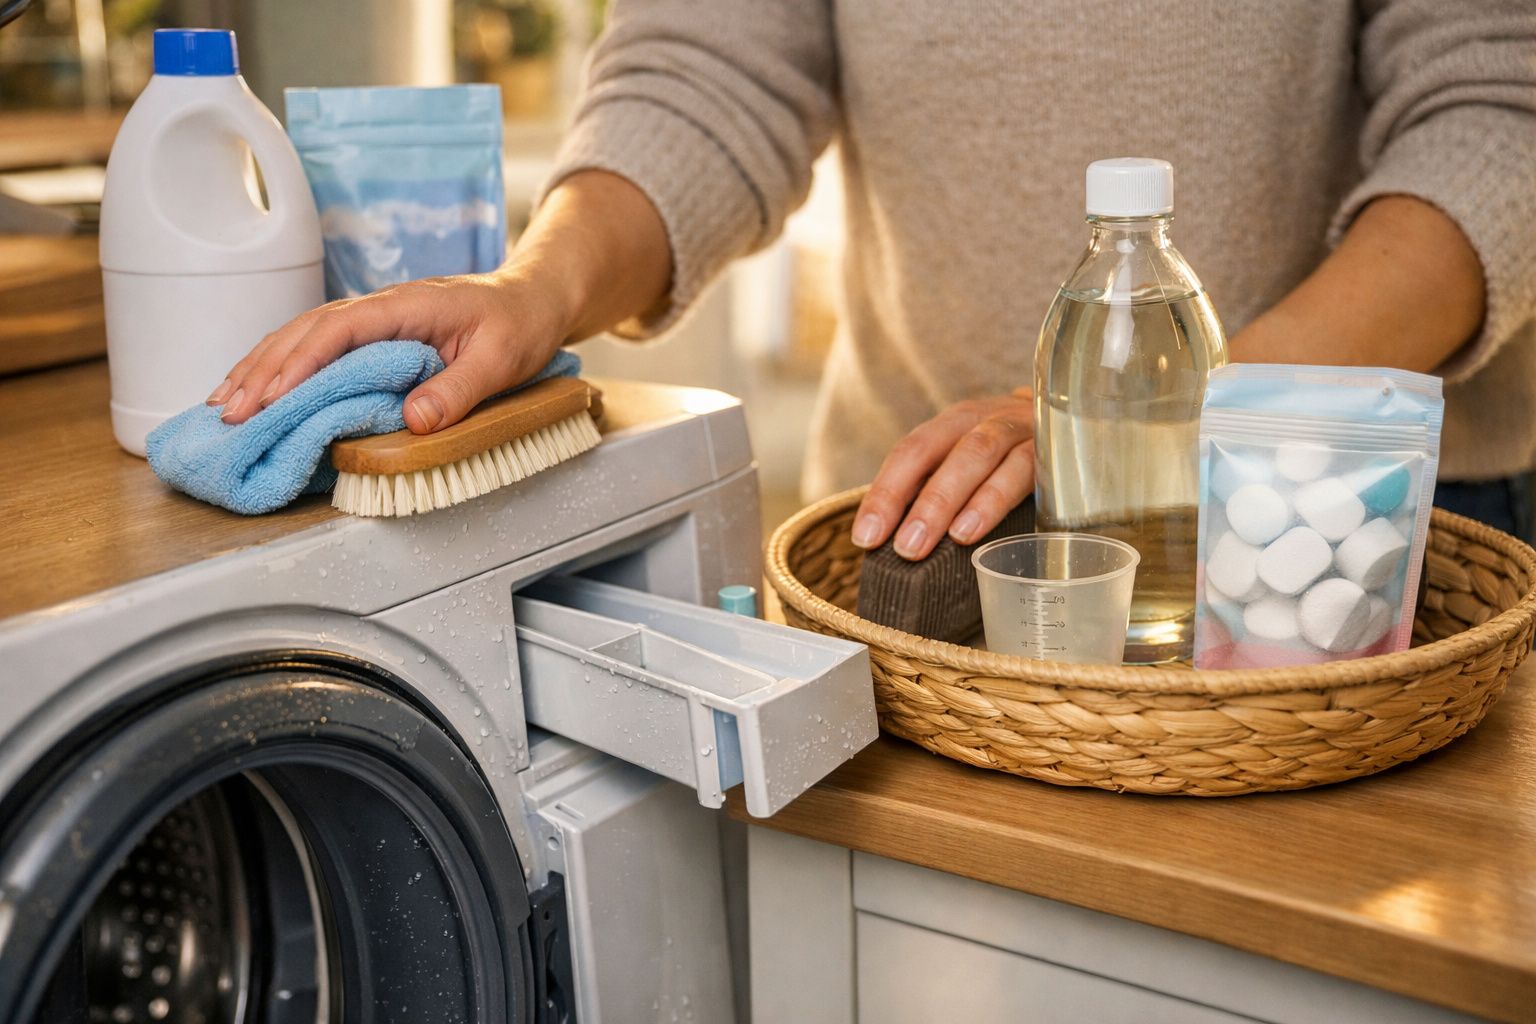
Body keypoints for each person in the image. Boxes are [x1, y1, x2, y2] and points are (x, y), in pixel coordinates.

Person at [209, 0, 1536, 548]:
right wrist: (537, 287)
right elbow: (708, 69)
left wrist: (1181, 416)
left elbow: (1498, 110)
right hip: (931, 526)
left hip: (1354, 518)